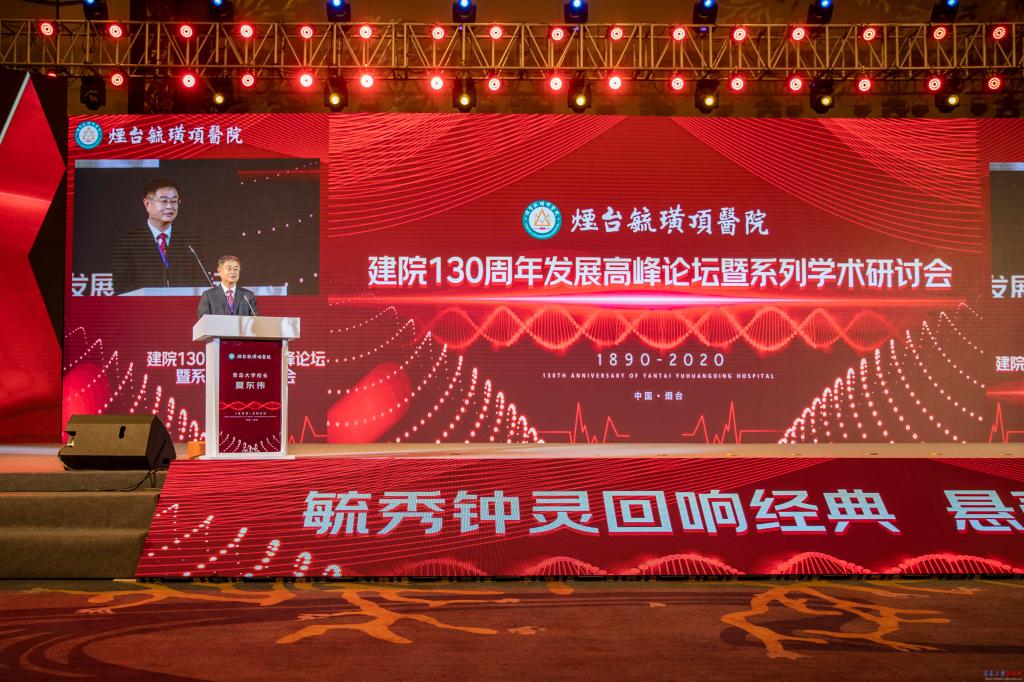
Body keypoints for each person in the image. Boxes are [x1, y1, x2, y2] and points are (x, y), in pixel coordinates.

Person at [112, 178, 206, 295]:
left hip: (181, 305)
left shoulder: (189, 243)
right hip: (143, 305)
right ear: (147, 204)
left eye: (174, 201)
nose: (169, 206)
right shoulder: (129, 243)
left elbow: (202, 281)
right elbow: (122, 286)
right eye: (164, 201)